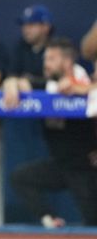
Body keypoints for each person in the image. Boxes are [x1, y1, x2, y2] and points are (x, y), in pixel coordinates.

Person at [7, 37, 97, 227]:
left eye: (51, 59)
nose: (45, 64)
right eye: (45, 59)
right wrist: (11, 84)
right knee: (20, 177)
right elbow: (20, 81)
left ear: (67, 62)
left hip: (86, 168)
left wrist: (81, 89)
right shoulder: (48, 85)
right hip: (61, 165)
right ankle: (50, 219)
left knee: (92, 224)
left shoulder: (87, 82)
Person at [2, 4, 53, 107]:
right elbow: (12, 74)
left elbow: (56, 81)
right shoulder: (20, 47)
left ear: (46, 27)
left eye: (31, 24)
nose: (26, 29)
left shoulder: (55, 48)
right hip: (23, 106)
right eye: (24, 25)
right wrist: (11, 82)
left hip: (51, 108)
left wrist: (31, 82)